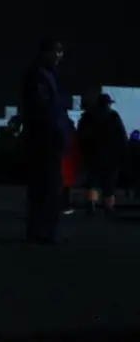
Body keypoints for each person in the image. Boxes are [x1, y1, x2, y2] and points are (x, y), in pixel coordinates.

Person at [19, 37, 68, 244]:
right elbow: (42, 110)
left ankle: (41, 230)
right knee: (46, 187)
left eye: (60, 51)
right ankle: (42, 231)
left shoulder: (47, 76)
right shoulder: (37, 77)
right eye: (55, 51)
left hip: (47, 141)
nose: (58, 55)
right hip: (43, 142)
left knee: (46, 188)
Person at [77, 93, 128, 215]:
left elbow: (81, 135)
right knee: (109, 184)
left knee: (91, 182)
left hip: (92, 155)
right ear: (108, 104)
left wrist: (83, 152)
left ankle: (91, 204)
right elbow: (122, 137)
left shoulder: (88, 116)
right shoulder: (113, 117)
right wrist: (123, 155)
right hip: (111, 157)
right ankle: (108, 207)